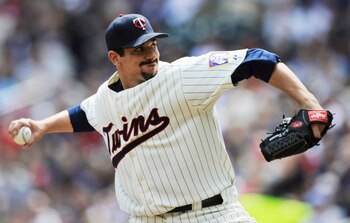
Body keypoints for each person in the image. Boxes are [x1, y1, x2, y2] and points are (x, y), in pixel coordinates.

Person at [8, 13, 327, 222]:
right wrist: (43, 126)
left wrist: (311, 104)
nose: (151, 53)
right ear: (114, 58)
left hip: (212, 213)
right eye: (138, 50)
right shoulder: (105, 97)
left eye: (152, 44)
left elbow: (257, 59)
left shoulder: (183, 76)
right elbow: (85, 114)